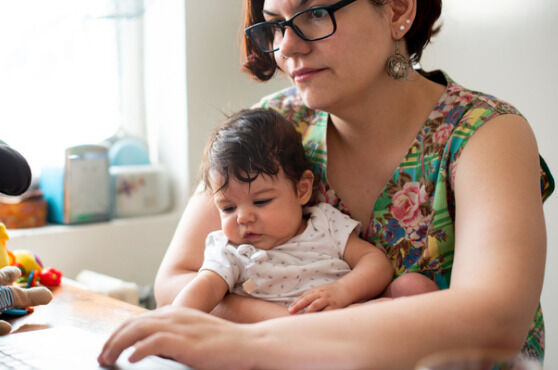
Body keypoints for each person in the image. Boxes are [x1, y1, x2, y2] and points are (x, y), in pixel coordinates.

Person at [99, 0, 554, 368]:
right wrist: (286, 329)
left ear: (397, 10)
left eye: (315, 13)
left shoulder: (486, 132)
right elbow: (173, 281)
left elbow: (496, 319)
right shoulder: (277, 126)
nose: (287, 48)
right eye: (275, 25)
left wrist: (258, 340)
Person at [173, 108, 429, 314]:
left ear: (302, 190)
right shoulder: (230, 251)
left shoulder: (324, 222)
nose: (243, 217)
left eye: (261, 202)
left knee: (413, 286)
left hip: (349, 316)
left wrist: (343, 291)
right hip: (283, 337)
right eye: (228, 208)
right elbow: (203, 290)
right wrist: (172, 321)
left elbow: (375, 263)